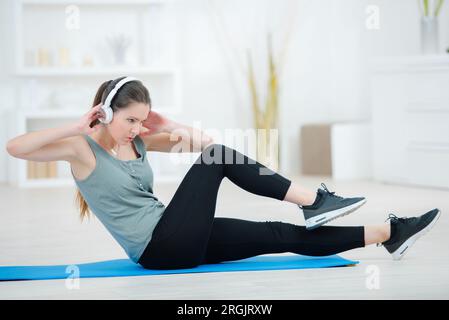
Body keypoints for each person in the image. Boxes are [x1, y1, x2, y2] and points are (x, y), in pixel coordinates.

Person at [6, 76, 441, 270]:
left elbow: (202, 141)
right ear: (104, 112)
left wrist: (168, 124)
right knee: (217, 160)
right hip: (158, 248)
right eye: (130, 120)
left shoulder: (137, 140)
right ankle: (315, 202)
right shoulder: (81, 150)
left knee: (276, 234)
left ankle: (389, 234)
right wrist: (79, 124)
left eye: (142, 120)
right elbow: (14, 148)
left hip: (178, 235)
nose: (138, 129)